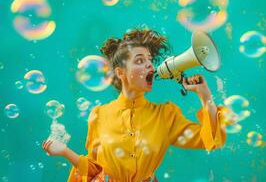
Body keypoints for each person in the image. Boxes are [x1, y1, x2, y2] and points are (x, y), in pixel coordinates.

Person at [42, 29, 227, 182]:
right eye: (140, 60)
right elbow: (93, 172)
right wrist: (65, 152)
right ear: (120, 72)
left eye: (149, 60)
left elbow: (211, 141)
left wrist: (205, 96)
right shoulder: (98, 115)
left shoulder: (165, 114)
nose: (150, 66)